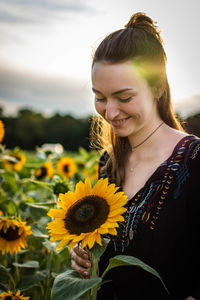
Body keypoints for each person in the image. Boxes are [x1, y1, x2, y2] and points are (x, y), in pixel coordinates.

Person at [70, 12, 200, 300]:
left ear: (157, 87)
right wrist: (81, 249)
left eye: (124, 97)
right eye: (100, 97)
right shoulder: (108, 162)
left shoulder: (194, 160)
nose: (110, 112)